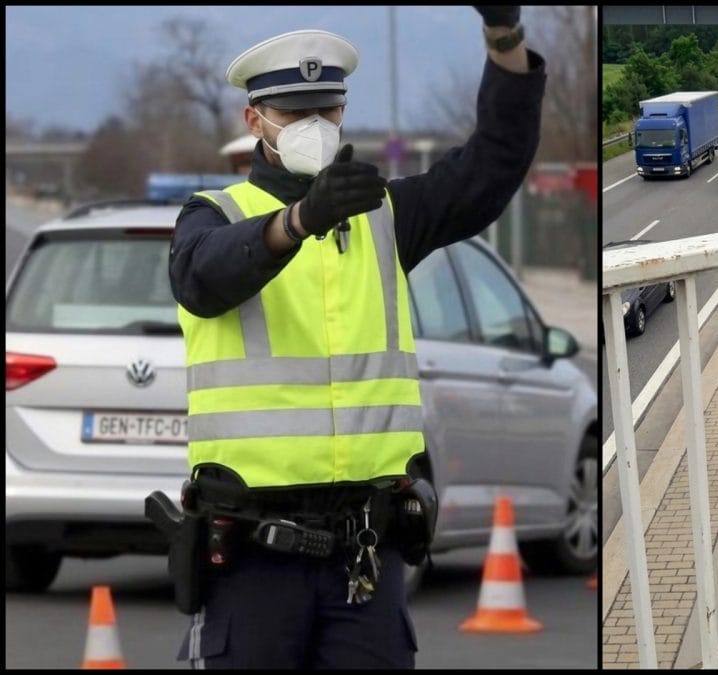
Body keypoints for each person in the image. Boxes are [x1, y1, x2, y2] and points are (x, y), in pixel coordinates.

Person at [164, 7, 543, 669]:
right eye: (292, 112)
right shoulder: (214, 215)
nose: (313, 126)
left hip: (363, 556)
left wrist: (504, 36)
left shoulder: (387, 214)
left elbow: (497, 159)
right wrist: (300, 219)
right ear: (254, 121)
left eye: (327, 110)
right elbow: (203, 276)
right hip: (252, 557)